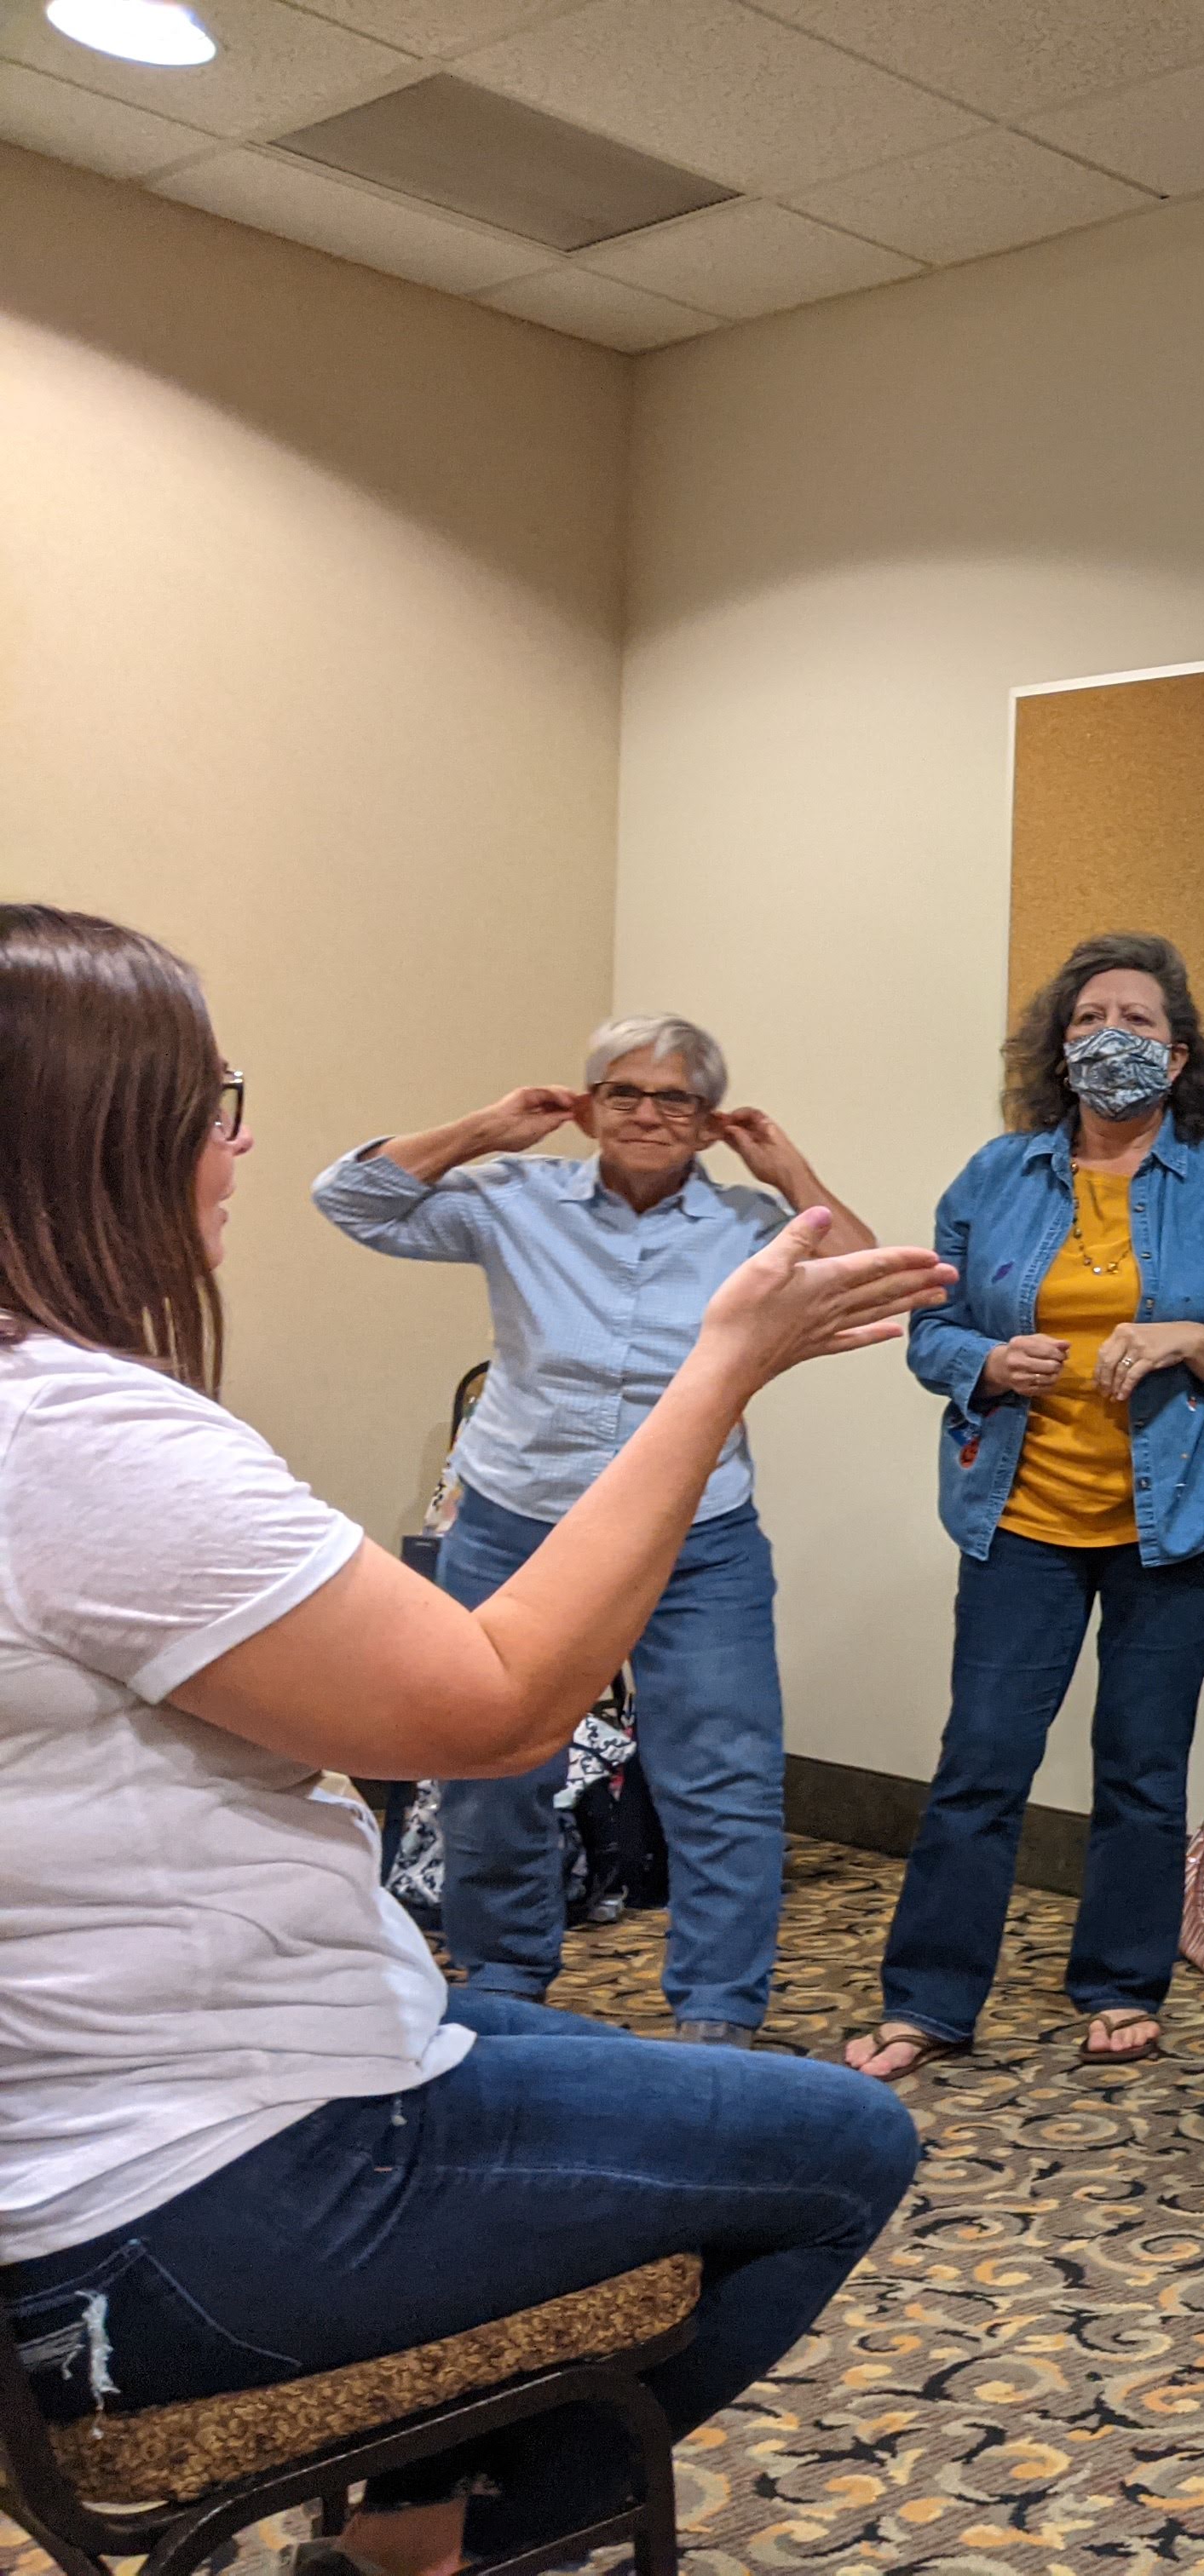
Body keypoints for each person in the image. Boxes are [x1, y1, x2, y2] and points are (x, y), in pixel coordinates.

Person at [0, 904, 950, 2576]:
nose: (236, 1142)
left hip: (134, 2105)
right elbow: (499, 1707)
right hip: (173, 2195)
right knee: (844, 2143)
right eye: (216, 1104)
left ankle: (409, 2531)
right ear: (100, 1136)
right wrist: (717, 1373)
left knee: (575, 1958)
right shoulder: (86, 1438)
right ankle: (470, 2546)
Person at [314, 1017, 879, 2048]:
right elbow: (350, 1199)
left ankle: (717, 2011)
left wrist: (787, 1168)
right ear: (587, 1107)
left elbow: (874, 1281)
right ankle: (502, 1978)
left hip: (695, 1535)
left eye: (676, 1099)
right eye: (624, 1092)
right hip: (518, 1521)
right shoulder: (514, 1199)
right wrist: (485, 1129)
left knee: (723, 1774)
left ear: (709, 1121)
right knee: (490, 1766)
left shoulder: (752, 1224)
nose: (648, 1114)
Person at [846, 934, 1204, 2080]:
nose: (1114, 1036)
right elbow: (931, 1327)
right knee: (980, 1764)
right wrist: (983, 1361)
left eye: (1139, 1021)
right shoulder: (996, 1175)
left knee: (1142, 1769)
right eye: (1091, 1018)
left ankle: (1120, 1989)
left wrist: (1190, 1337)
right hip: (1018, 1518)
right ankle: (927, 2003)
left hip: (1182, 1524)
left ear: (1178, 1054)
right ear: (1059, 1052)